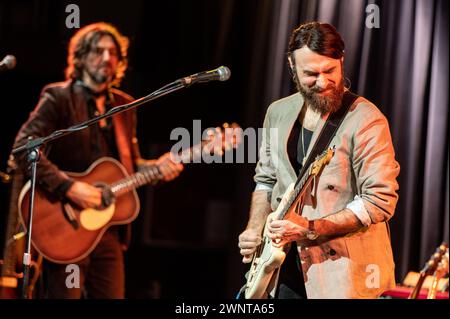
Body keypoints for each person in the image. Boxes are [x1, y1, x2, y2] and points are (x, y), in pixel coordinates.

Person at [8, 22, 183, 298]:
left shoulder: (124, 106)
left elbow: (130, 167)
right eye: (98, 51)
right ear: (80, 57)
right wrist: (69, 187)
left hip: (107, 232)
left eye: (113, 53)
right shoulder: (59, 97)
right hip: (64, 224)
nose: (106, 58)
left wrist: (159, 168)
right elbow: (23, 149)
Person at [238, 22, 400, 299]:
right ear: (292, 67)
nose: (323, 82)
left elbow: (378, 201)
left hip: (343, 274)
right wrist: (254, 229)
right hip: (283, 268)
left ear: (342, 61)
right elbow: (265, 180)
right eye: (311, 74)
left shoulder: (367, 119)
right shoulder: (278, 112)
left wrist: (310, 229)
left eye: (330, 71)